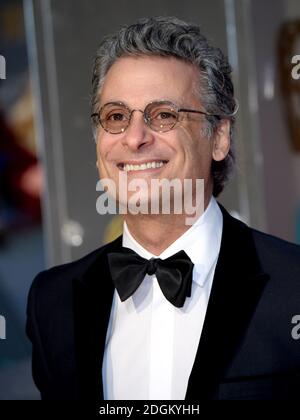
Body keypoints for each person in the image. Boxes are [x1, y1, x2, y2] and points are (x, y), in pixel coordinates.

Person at [26, 16, 300, 401]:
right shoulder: (52, 301)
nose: (135, 137)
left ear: (219, 137)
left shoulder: (293, 287)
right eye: (117, 117)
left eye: (164, 115)